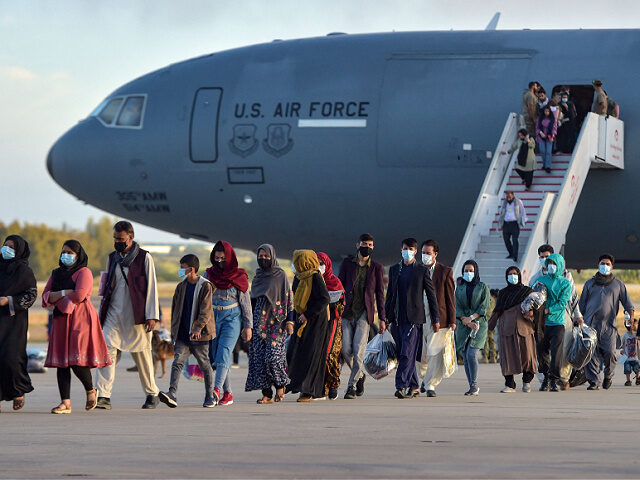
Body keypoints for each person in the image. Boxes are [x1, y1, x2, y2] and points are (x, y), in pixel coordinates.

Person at [96, 221, 161, 410]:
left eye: (120, 239)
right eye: (115, 238)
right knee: (107, 353)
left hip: (137, 316)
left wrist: (152, 315)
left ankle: (152, 393)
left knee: (142, 355)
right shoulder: (112, 258)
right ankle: (104, 395)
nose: (117, 242)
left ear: (130, 238)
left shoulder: (144, 258)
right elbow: (106, 285)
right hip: (113, 315)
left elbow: (152, 288)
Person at [42, 240, 112, 414]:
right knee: (62, 362)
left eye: (70, 252)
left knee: (76, 358)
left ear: (78, 255)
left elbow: (80, 294)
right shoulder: (56, 273)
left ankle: (90, 390)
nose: (66, 255)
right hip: (60, 320)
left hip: (80, 319)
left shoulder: (84, 272)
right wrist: (65, 292)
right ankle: (65, 403)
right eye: (64, 251)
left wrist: (59, 297)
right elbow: (46, 295)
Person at [384, 238, 439, 399]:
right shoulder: (395, 269)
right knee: (401, 353)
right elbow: (390, 296)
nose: (406, 251)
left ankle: (401, 385)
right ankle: (414, 386)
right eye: (404, 248)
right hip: (397, 319)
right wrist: (386, 318)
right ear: (401, 250)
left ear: (415, 251)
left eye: (410, 249)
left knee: (407, 353)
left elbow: (431, 296)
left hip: (414, 319)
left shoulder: (421, 270)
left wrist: (435, 318)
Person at [159, 254, 216, 408]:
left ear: (191, 269)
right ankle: (172, 394)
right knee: (177, 362)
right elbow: (175, 310)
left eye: (182, 267)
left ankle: (210, 396)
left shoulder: (205, 286)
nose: (180, 270)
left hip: (200, 335)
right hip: (183, 333)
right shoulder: (181, 286)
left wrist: (197, 329)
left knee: (204, 365)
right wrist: (174, 331)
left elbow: (206, 311)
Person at [204, 241, 252, 405]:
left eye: (223, 258)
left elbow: (246, 303)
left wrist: (248, 326)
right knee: (217, 357)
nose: (219, 261)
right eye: (216, 258)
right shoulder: (208, 274)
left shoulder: (240, 276)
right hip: (212, 318)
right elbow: (202, 299)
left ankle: (215, 390)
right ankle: (228, 393)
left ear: (230, 258)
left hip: (232, 318)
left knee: (224, 352)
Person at [338, 233, 385, 399]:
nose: (368, 247)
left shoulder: (377, 267)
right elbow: (340, 285)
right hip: (347, 312)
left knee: (358, 351)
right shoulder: (347, 263)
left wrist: (382, 319)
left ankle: (350, 387)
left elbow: (380, 294)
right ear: (357, 245)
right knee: (346, 350)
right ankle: (360, 375)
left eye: (371, 244)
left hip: (364, 314)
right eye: (365, 244)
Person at [245, 244, 294, 404]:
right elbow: (251, 301)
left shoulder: (280, 275)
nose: (263, 259)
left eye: (266, 256)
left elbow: (288, 299)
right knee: (258, 358)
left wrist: (290, 321)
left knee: (272, 357)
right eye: (261, 256)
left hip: (277, 321)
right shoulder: (258, 276)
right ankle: (267, 394)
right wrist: (247, 324)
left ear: (272, 256)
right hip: (259, 320)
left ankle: (280, 384)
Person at [579, 254, 635, 390]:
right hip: (590, 325)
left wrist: (631, 318)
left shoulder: (618, 284)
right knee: (591, 353)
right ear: (598, 265)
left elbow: (628, 304)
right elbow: (581, 304)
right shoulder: (589, 283)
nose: (605, 266)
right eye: (602, 263)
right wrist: (578, 319)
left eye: (607, 264)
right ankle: (594, 381)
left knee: (610, 352)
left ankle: (608, 375)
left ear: (612, 267)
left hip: (609, 326)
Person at [287, 250, 331, 402]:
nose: (296, 263)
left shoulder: (315, 276)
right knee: (296, 352)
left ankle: (308, 391)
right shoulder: (299, 277)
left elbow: (324, 298)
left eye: (299, 260)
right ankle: (296, 385)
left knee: (312, 354)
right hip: (302, 319)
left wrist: (308, 314)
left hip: (316, 321)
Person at [0, 235, 37, 413]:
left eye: (11, 248)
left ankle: (18, 391)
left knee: (12, 358)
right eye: (5, 246)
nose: (6, 250)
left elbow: (31, 295)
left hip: (15, 322)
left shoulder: (24, 272)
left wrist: (9, 300)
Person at [488, 267, 537, 393]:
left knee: (528, 356)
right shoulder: (503, 293)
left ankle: (526, 382)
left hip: (525, 328)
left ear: (519, 275)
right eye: (510, 274)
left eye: (515, 274)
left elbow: (536, 310)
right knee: (508, 356)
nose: (512, 276)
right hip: (507, 328)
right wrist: (489, 327)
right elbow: (497, 311)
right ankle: (509, 384)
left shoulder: (527, 292)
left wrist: (531, 314)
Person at [417, 239, 456, 397]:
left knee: (435, 353)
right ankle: (424, 378)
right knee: (421, 354)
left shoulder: (445, 271)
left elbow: (450, 297)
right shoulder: (416, 270)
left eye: (428, 253)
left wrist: (452, 320)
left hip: (439, 319)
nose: (425, 256)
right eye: (423, 253)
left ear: (435, 254)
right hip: (419, 317)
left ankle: (431, 385)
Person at [533, 253, 572, 392]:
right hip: (541, 323)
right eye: (549, 263)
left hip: (557, 323)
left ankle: (554, 380)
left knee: (556, 352)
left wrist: (548, 311)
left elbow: (562, 303)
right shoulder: (540, 280)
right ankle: (545, 378)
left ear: (560, 266)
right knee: (541, 352)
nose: (551, 266)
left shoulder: (565, 283)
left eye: (554, 264)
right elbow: (532, 295)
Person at [454, 260, 491, 396]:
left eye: (470, 270)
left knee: (471, 353)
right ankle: (471, 386)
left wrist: (471, 318)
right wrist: (466, 320)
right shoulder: (460, 288)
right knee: (464, 354)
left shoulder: (483, 287)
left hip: (479, 324)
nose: (468, 273)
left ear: (475, 272)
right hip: (464, 325)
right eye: (466, 271)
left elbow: (484, 307)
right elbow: (457, 307)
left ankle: (474, 384)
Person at [317, 252, 345, 400]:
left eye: (321, 263)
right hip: (316, 323)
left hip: (332, 322)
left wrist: (333, 304)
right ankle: (321, 386)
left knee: (330, 353)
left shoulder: (335, 282)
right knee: (318, 354)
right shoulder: (313, 281)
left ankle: (333, 383)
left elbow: (342, 305)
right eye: (316, 263)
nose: (319, 266)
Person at [498, 191, 527, 262]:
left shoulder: (518, 201)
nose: (508, 198)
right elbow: (502, 212)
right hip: (506, 224)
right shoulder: (504, 202)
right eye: (507, 197)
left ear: (513, 196)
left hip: (514, 224)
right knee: (506, 240)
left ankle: (515, 256)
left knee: (515, 240)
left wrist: (524, 219)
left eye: (510, 196)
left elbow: (523, 210)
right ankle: (511, 253)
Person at [537, 105, 557, 173]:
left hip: (549, 136)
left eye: (548, 111)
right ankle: (544, 164)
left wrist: (553, 135)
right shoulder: (539, 119)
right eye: (545, 111)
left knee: (548, 151)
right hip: (541, 136)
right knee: (542, 150)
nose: (546, 112)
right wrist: (540, 132)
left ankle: (547, 166)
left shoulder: (552, 119)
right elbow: (537, 128)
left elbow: (554, 128)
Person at [620, 318, 639, 387]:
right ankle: (628, 381)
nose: (637, 326)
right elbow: (621, 345)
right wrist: (621, 350)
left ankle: (638, 379)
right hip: (627, 357)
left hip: (635, 357)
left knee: (637, 369)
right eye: (636, 324)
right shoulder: (625, 335)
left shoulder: (637, 335)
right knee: (627, 370)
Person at [482, 289, 500, 364]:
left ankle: (485, 357)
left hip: (484, 321)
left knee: (485, 340)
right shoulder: (494, 301)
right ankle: (493, 357)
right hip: (492, 321)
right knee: (492, 339)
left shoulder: (484, 299)